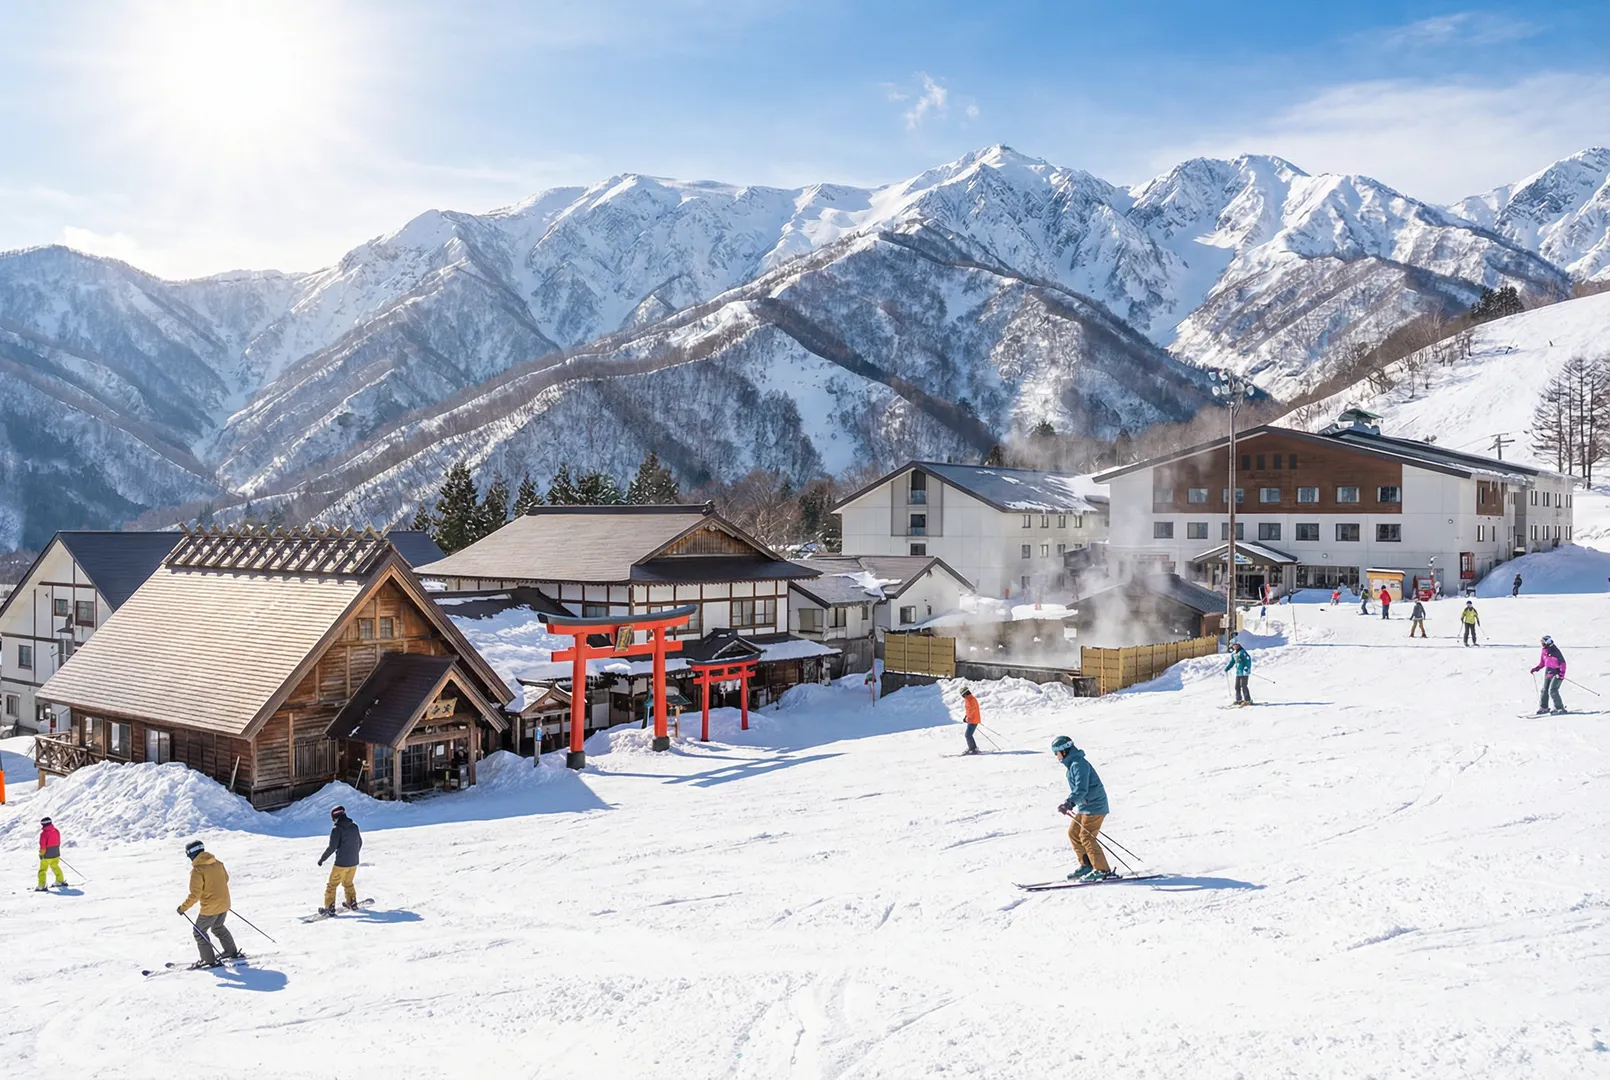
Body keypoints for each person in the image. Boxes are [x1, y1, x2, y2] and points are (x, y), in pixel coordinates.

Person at [1050, 736, 1112, 881]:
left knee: (1086, 836)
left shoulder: (1078, 764)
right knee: (1074, 833)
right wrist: (1071, 803)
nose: (1056, 756)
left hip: (1095, 805)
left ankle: (1102, 870)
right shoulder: (1072, 765)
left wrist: (1069, 803)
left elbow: (1081, 789)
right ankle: (1088, 865)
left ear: (1064, 751)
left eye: (1056, 752)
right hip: (1086, 806)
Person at [178, 840, 237, 968]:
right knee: (217, 927)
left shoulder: (198, 870)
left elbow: (195, 895)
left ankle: (208, 960)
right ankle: (231, 951)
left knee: (199, 932)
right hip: (224, 903)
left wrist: (183, 908)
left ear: (192, 854)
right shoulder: (218, 864)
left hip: (210, 907)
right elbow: (225, 879)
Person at [318, 805, 364, 915]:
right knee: (348, 882)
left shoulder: (336, 829)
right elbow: (360, 842)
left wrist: (322, 859)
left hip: (341, 863)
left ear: (334, 817)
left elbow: (332, 847)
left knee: (332, 885)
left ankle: (329, 907)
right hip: (354, 862)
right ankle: (352, 902)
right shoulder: (354, 826)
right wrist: (353, 854)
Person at [1531, 635, 1567, 715]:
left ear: (1548, 642)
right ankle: (1544, 707)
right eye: (1541, 642)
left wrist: (1561, 674)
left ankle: (1560, 708)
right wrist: (1536, 668)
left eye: (1543, 642)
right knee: (1544, 690)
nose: (1542, 644)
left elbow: (1563, 663)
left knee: (1553, 690)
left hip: (1557, 672)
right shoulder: (1544, 651)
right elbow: (1543, 663)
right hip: (1548, 671)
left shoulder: (1555, 651)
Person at [36, 817, 67, 892]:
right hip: (56, 853)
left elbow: (43, 846)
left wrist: (41, 854)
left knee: (42, 870)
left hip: (47, 855)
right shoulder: (56, 831)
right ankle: (60, 881)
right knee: (55, 866)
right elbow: (58, 842)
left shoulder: (44, 834)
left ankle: (41, 886)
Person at [960, 688, 982, 755]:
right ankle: (973, 748)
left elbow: (971, 712)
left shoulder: (970, 700)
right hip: (974, 719)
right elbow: (969, 711)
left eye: (962, 695)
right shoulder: (970, 699)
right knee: (969, 735)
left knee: (968, 735)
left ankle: (972, 749)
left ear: (965, 694)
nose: (962, 697)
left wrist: (966, 719)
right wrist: (966, 717)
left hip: (973, 720)